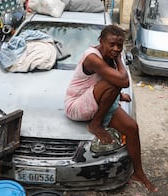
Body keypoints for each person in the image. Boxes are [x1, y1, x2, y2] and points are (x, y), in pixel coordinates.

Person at [64, 25, 158, 192]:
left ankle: (139, 172)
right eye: (112, 44)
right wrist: (119, 59)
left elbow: (100, 81)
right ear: (101, 42)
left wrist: (119, 95)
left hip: (93, 100)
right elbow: (123, 81)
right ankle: (96, 124)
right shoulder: (92, 58)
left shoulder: (109, 55)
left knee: (131, 127)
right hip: (76, 105)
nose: (116, 49)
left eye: (119, 46)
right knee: (114, 83)